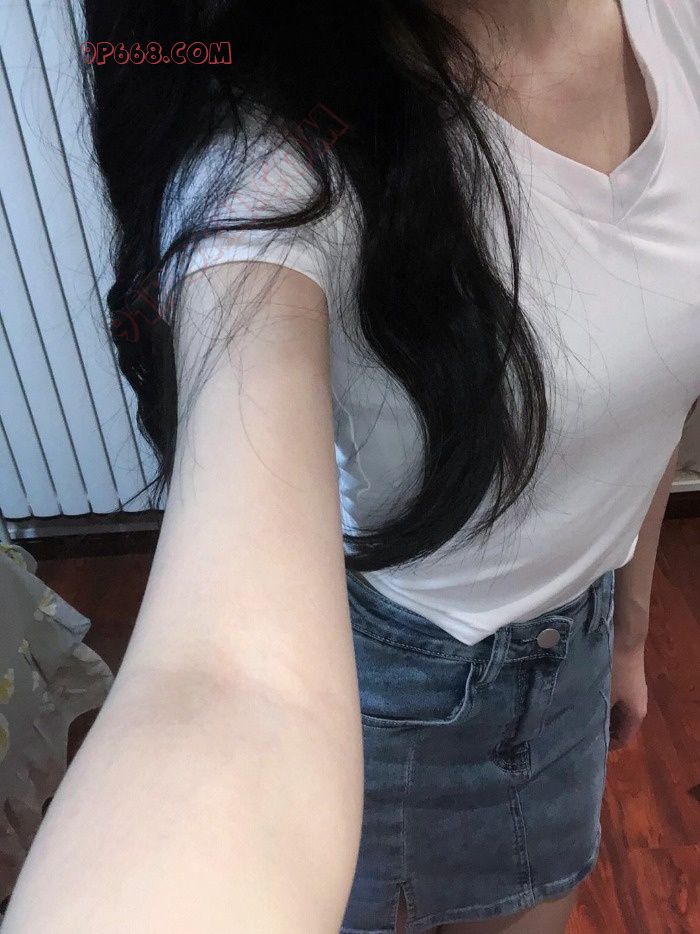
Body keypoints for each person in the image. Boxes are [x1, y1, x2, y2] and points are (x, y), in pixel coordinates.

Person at [3, 1, 698, 932]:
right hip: (392, 686)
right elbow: (230, 683)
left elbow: (656, 393)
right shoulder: (274, 165)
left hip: (573, 654)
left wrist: (627, 632)